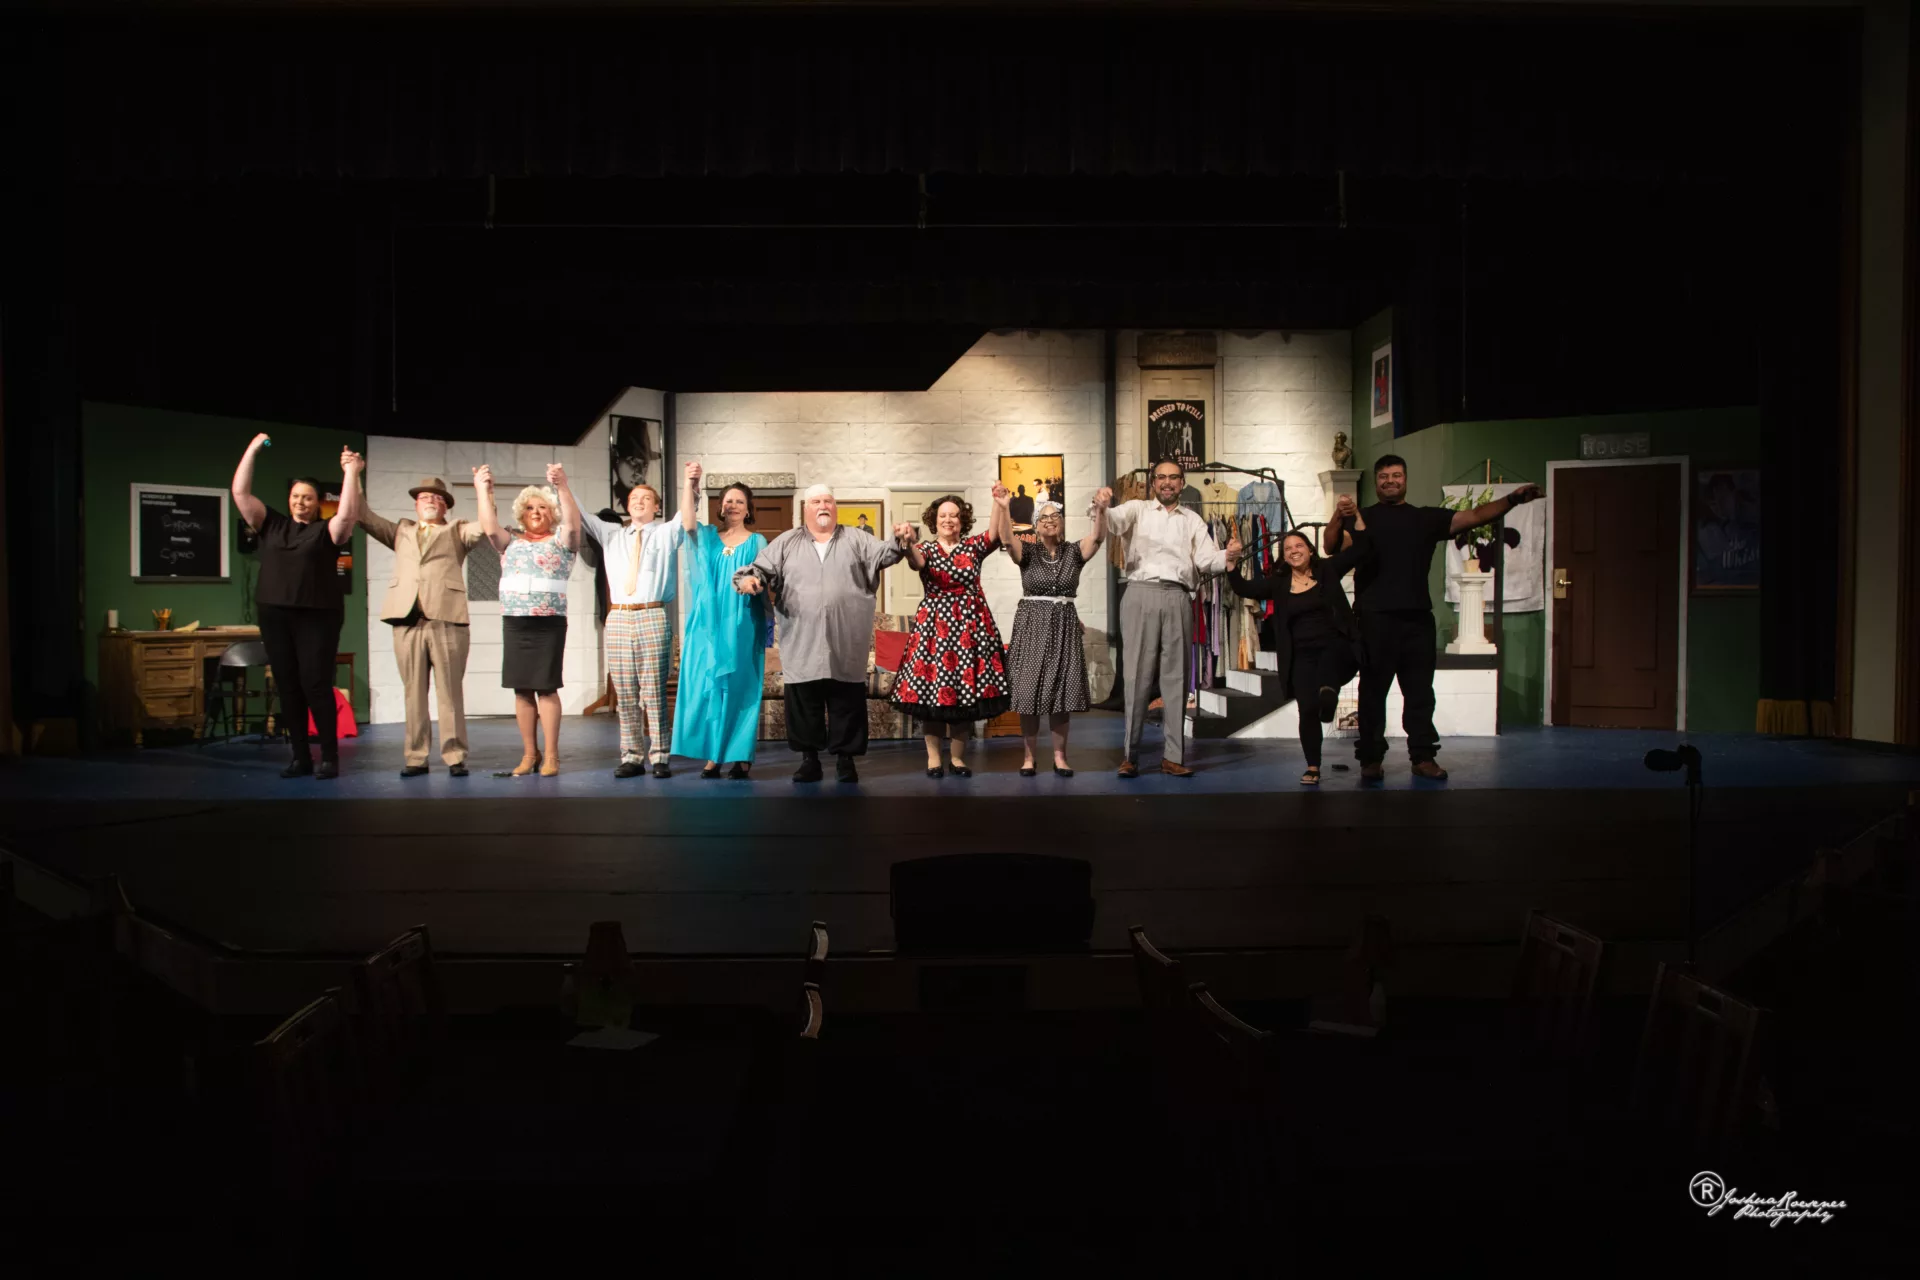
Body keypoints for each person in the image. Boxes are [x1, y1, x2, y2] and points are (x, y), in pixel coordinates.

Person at [1322, 454, 1538, 781]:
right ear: (1377, 481)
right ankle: (1371, 759)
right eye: (1384, 476)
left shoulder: (1425, 518)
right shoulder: (1363, 518)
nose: (1390, 481)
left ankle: (1423, 757)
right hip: (1374, 618)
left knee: (1420, 694)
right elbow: (1330, 546)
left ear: (1405, 479)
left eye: (1396, 475)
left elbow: (1476, 515)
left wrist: (1513, 499)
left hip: (1417, 620)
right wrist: (1339, 515)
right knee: (1372, 694)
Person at [734, 483, 905, 784]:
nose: (823, 506)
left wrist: (900, 539)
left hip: (846, 636)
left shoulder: (856, 538)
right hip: (802, 637)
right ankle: (809, 761)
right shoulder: (787, 541)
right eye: (816, 501)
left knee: (846, 699)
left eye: (828, 501)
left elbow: (886, 554)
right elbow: (759, 568)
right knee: (804, 700)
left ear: (835, 507)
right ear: (806, 509)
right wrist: (750, 580)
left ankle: (845, 762)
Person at [230, 435, 360, 779]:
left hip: (317, 616)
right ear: (289, 500)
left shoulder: (326, 531)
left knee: (315, 684)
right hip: (275, 614)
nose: (301, 502)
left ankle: (329, 757)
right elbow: (240, 493)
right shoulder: (271, 524)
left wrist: (351, 473)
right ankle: (300, 757)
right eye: (295, 496)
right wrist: (253, 449)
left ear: (317, 503)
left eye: (308, 497)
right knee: (287, 685)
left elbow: (348, 514)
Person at [1106, 460, 1242, 778]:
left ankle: (1172, 756)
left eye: (1173, 478)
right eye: (1161, 477)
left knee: (1176, 678)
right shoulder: (1137, 509)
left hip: (1179, 596)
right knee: (1136, 678)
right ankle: (1130, 756)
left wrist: (1228, 555)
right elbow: (1112, 521)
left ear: (1182, 483)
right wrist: (1101, 506)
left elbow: (1206, 560)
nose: (1167, 482)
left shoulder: (1192, 520)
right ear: (1153, 482)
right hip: (1140, 592)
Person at [357, 472, 486, 778]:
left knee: (450, 692)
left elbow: (486, 525)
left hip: (447, 619)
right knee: (413, 692)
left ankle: (455, 756)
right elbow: (362, 515)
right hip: (407, 620)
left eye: (437, 497)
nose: (430, 500)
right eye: (424, 497)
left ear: (446, 507)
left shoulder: (458, 530)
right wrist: (353, 475)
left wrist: (484, 490)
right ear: (415, 504)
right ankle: (416, 756)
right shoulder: (401, 530)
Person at [1223, 518, 1371, 785]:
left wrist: (1356, 520)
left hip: (1333, 646)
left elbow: (1360, 550)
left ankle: (1329, 697)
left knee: (1327, 677)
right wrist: (1232, 563)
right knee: (1307, 708)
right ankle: (1313, 766)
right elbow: (1244, 588)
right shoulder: (1279, 582)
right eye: (1288, 548)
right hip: (1300, 654)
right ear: (1284, 555)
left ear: (1310, 550)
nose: (1293, 550)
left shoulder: (1327, 570)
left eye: (1299, 545)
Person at [581, 463, 692, 778]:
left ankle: (660, 756)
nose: (639, 501)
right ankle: (631, 756)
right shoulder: (612, 534)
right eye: (634, 498)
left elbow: (686, 515)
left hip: (652, 613)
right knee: (626, 692)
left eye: (646, 498)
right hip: (619, 616)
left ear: (656, 507)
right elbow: (581, 515)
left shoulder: (665, 533)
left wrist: (690, 482)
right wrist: (561, 484)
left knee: (654, 691)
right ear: (626, 506)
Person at [990, 486, 1110, 778]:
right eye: (1043, 517)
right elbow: (1006, 539)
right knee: (1028, 693)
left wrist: (1101, 510)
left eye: (1055, 516)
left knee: (1062, 694)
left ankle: (1060, 757)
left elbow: (1098, 538)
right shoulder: (1028, 552)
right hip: (1032, 626)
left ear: (1062, 522)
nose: (1049, 521)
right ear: (1035, 525)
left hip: (1064, 627)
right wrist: (1004, 508)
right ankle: (1029, 757)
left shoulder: (1073, 552)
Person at [891, 492, 1011, 778]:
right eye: (942, 515)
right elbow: (916, 562)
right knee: (932, 699)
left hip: (970, 632)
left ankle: (957, 759)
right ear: (934, 521)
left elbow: (994, 534)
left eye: (954, 515)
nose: (948, 520)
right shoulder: (926, 549)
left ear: (962, 520)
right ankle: (934, 759)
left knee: (964, 698)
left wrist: (999, 504)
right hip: (934, 632)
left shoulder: (972, 547)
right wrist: (906, 544)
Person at [475, 462, 580, 777]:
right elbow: (489, 527)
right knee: (521, 689)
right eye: (530, 507)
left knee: (546, 687)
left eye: (543, 507)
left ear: (552, 513)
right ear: (522, 514)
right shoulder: (510, 541)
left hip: (548, 623)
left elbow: (573, 524)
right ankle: (529, 754)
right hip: (516, 622)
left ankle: (552, 756)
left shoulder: (562, 541)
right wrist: (482, 489)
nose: (536, 512)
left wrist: (561, 486)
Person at [672, 468, 767, 779]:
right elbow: (687, 522)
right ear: (720, 507)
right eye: (728, 501)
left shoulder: (757, 541)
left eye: (740, 501)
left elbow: (764, 575)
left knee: (740, 686)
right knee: (710, 684)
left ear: (748, 509)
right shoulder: (709, 537)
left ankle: (740, 755)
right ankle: (714, 754)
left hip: (741, 621)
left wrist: (755, 584)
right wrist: (689, 483)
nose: (733, 505)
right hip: (709, 622)